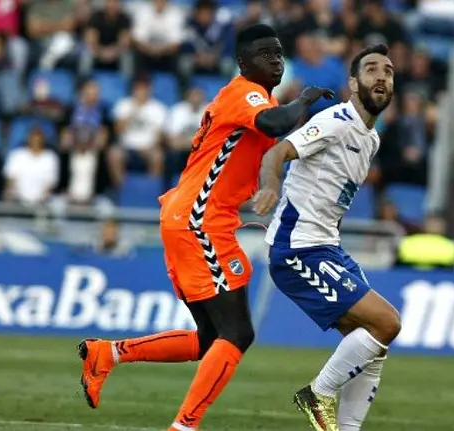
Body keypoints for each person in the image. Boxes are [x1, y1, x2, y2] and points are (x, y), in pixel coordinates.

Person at [76, 24, 334, 431]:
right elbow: (273, 124)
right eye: (265, 54)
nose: (275, 60)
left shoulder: (257, 99)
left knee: (212, 337)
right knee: (237, 333)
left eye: (279, 53)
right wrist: (303, 99)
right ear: (243, 62)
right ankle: (184, 426)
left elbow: (259, 150)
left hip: (196, 218)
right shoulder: (245, 93)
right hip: (200, 220)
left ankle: (108, 354)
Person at [253, 43, 401, 431]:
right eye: (371, 69)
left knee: (373, 343)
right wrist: (270, 187)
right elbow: (276, 153)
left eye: (388, 71)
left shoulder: (371, 138)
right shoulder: (335, 120)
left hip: (326, 247)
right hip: (297, 249)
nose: (381, 76)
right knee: (387, 322)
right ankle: (318, 394)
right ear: (352, 83)